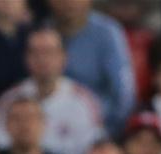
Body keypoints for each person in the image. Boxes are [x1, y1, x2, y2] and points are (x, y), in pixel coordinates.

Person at [0, 26, 104, 154]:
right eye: (36, 53)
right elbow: (0, 146)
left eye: (49, 52)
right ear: (26, 58)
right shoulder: (8, 100)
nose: (42, 59)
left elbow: (92, 152)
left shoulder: (84, 101)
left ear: (63, 57)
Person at [47, 0, 136, 136]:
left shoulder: (108, 32)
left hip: (99, 127)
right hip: (48, 126)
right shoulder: (42, 30)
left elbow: (123, 94)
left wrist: (104, 131)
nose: (69, 3)